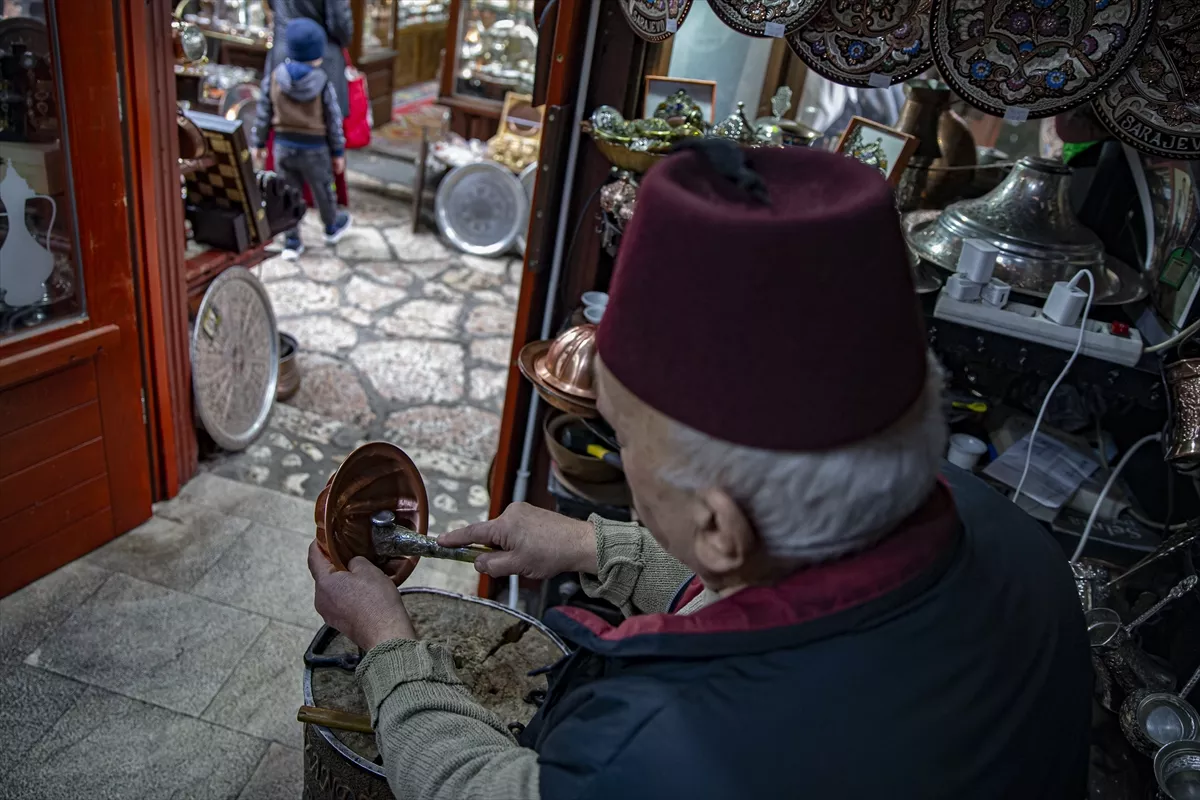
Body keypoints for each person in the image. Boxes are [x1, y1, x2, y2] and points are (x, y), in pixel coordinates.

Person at [308, 141, 1093, 799]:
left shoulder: (663, 752)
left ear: (717, 526)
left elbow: (482, 787)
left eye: (620, 435)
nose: (618, 454)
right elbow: (780, 583)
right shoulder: (1014, 541)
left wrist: (387, 642)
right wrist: (594, 547)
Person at [252, 18, 351, 259]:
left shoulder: (275, 77)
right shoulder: (323, 81)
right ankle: (330, 226)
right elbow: (333, 120)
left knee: (287, 193)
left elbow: (264, 111)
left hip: (283, 146)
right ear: (317, 53)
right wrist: (338, 152)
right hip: (316, 149)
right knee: (324, 190)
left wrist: (259, 142)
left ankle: (292, 241)